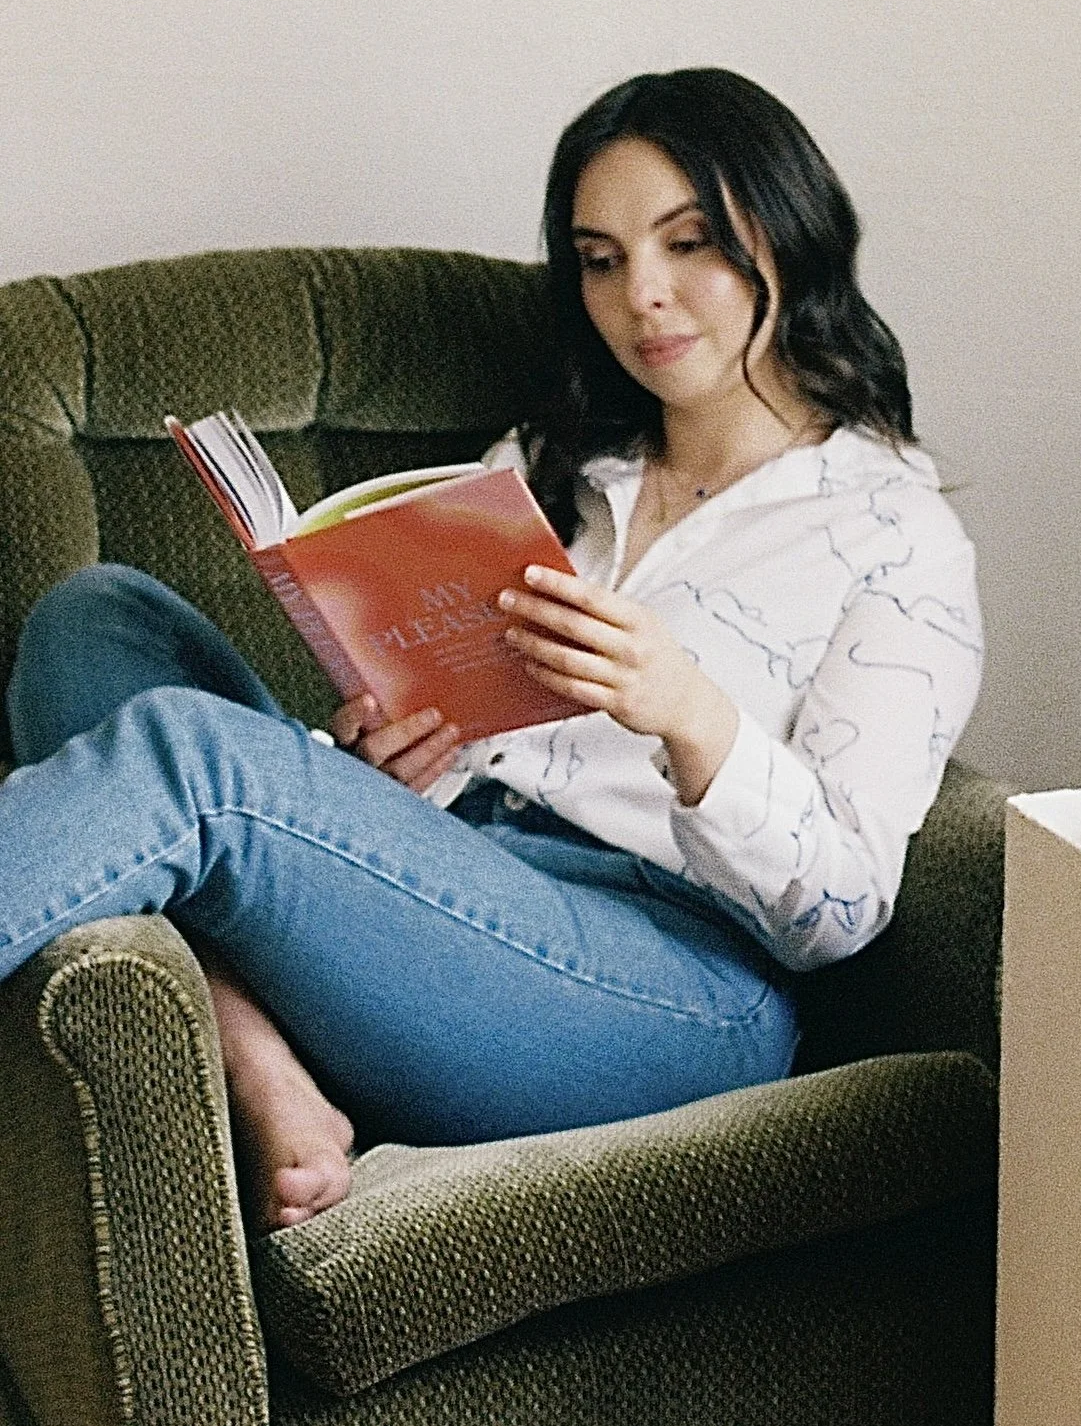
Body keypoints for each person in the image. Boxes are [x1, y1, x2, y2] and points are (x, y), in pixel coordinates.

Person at [0, 67, 982, 1232]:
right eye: (602, 258)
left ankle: (245, 1010)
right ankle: (250, 1041)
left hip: (665, 985)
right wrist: (380, 768)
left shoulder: (894, 535)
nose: (644, 298)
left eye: (689, 244)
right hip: (449, 889)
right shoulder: (554, 466)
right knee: (97, 616)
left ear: (791, 236)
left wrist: (686, 712)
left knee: (188, 755)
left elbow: (844, 907)